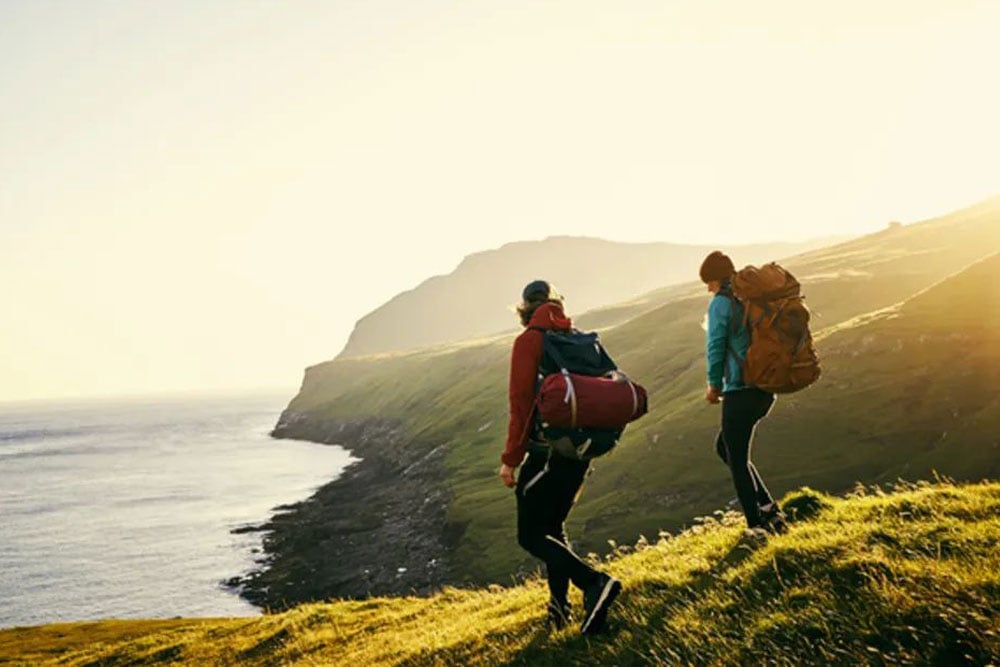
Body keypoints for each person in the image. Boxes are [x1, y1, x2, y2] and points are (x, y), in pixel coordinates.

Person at [499, 279, 622, 634]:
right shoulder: (577, 336)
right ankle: (559, 610)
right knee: (553, 528)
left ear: (524, 309)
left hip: (546, 453)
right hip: (580, 450)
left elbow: (520, 405)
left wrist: (511, 459)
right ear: (556, 304)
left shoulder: (529, 341)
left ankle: (594, 583)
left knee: (530, 535)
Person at [699, 252, 787, 534]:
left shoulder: (721, 304)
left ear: (715, 279)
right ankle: (767, 508)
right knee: (725, 447)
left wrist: (714, 385)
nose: (708, 289)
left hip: (741, 391)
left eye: (708, 283)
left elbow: (716, 347)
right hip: (764, 388)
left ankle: (757, 526)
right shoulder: (749, 299)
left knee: (735, 457)